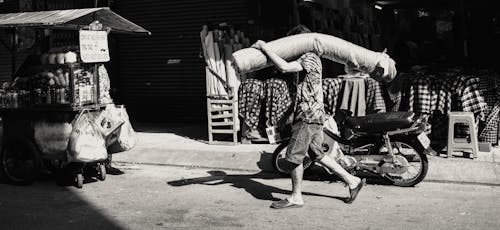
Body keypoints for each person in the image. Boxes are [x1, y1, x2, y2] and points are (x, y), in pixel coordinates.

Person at [251, 25, 365, 209]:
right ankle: (352, 181)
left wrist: (265, 48)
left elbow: (285, 67)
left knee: (294, 157)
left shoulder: (308, 57)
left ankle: (296, 197)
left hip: (308, 116)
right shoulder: (313, 58)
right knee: (316, 154)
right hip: (314, 114)